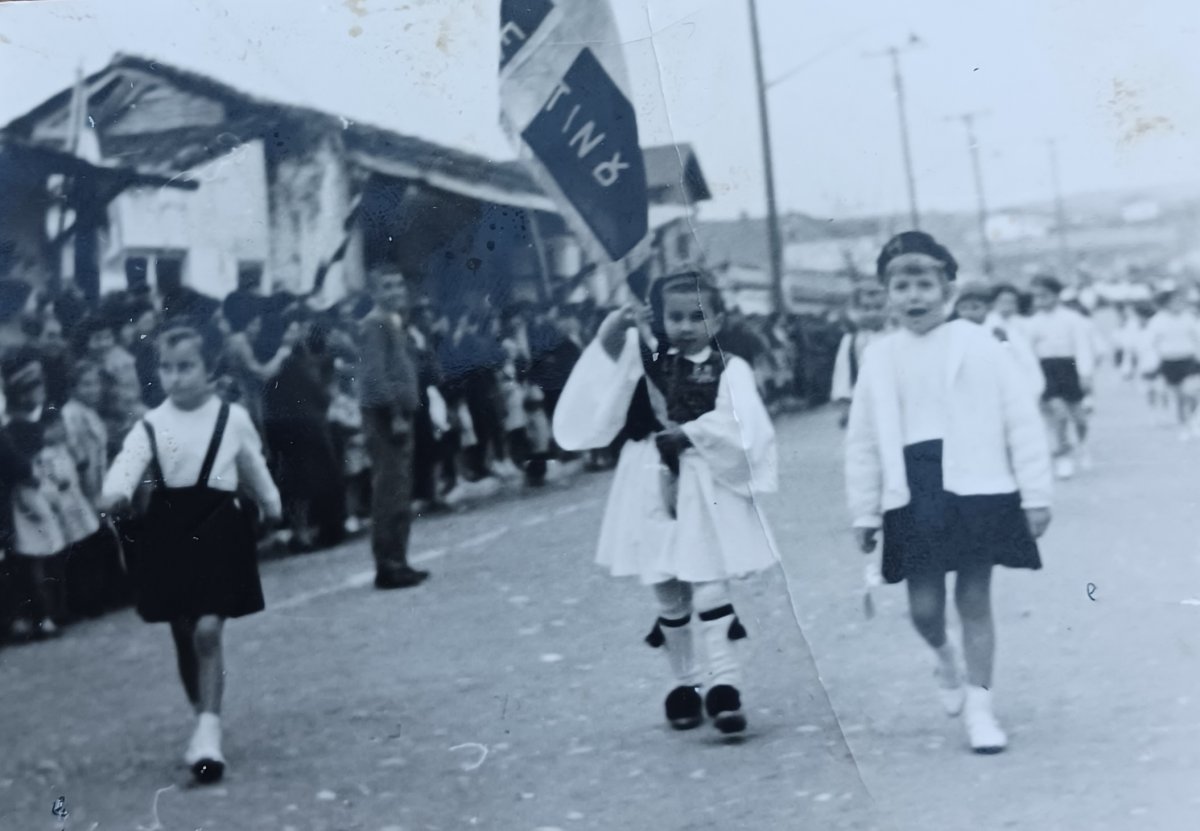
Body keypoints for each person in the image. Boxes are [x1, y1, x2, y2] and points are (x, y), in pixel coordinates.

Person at [845, 231, 1052, 754]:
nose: (913, 296)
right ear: (886, 293)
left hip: (978, 484)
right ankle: (945, 658)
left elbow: (1020, 420)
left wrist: (1035, 494)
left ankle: (981, 709)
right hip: (913, 489)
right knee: (924, 608)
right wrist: (864, 511)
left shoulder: (980, 344)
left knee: (975, 598)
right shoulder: (878, 355)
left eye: (924, 284)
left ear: (947, 290)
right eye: (901, 285)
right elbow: (864, 440)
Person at [554, 269, 779, 736]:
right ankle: (686, 683)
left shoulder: (728, 366)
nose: (686, 326)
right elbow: (605, 372)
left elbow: (744, 424)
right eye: (675, 317)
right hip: (650, 477)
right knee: (666, 582)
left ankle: (725, 683)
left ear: (716, 320)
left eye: (697, 316)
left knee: (710, 580)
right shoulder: (649, 357)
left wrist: (691, 433)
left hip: (705, 477)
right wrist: (617, 324)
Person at [98, 322, 282, 784]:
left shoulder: (231, 418)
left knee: (206, 630)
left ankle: (208, 733)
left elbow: (252, 465)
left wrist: (272, 503)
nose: (176, 377)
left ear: (209, 368)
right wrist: (115, 492)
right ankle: (204, 716)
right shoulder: (152, 423)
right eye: (167, 367)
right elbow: (127, 462)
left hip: (220, 527)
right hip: (169, 531)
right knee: (183, 632)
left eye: (186, 367)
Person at [358, 269, 429, 590]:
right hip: (387, 418)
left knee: (400, 489)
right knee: (389, 491)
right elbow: (374, 376)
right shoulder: (376, 323)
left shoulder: (393, 321)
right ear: (374, 292)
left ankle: (399, 559)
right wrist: (396, 413)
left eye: (399, 284)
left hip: (397, 415)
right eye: (387, 285)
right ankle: (388, 564)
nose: (395, 290)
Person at [1025, 274, 1095, 479]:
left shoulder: (1073, 319)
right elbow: (1027, 353)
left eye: (1045, 296)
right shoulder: (1032, 323)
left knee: (1080, 418)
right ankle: (1063, 456)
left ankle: (1083, 444)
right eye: (1036, 297)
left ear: (1056, 295)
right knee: (1059, 414)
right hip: (1046, 369)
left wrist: (1085, 374)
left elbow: (1082, 348)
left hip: (1069, 367)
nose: (1040, 301)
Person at [953, 283, 1044, 400]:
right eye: (963, 308)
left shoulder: (998, 331)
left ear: (989, 307)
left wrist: (1032, 390)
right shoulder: (956, 333)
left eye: (975, 307)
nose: (969, 313)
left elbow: (1021, 360)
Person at [831, 275, 890, 428]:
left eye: (878, 308)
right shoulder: (851, 339)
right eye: (866, 308)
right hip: (864, 402)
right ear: (855, 310)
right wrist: (845, 404)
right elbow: (843, 372)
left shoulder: (895, 336)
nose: (872, 314)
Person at [1144, 288, 1200, 439]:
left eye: (1180, 301)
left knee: (1191, 392)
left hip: (1188, 360)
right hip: (1169, 361)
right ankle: (1185, 425)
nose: (1179, 304)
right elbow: (1149, 343)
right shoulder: (1157, 320)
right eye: (1175, 302)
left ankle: (1193, 419)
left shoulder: (1189, 317)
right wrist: (1153, 362)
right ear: (1167, 304)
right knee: (1180, 397)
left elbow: (1197, 337)